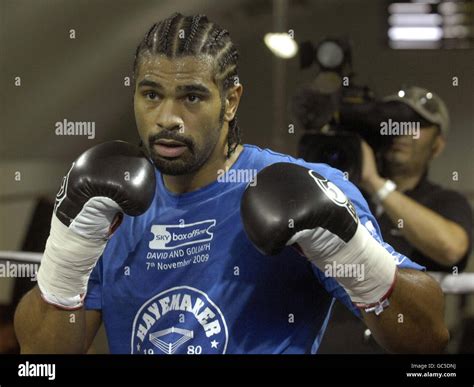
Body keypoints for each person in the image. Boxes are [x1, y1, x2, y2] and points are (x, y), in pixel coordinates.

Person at [14, 13, 449, 354]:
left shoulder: (306, 188)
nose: (167, 118)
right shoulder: (108, 202)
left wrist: (348, 248)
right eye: (151, 95)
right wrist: (68, 252)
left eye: (192, 96)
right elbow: (44, 356)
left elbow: (429, 338)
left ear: (231, 101)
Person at [359, 86, 472, 273]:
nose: (402, 130)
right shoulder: (350, 193)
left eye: (416, 124)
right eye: (394, 122)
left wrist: (375, 184)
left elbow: (452, 248)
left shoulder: (446, 201)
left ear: (437, 145)